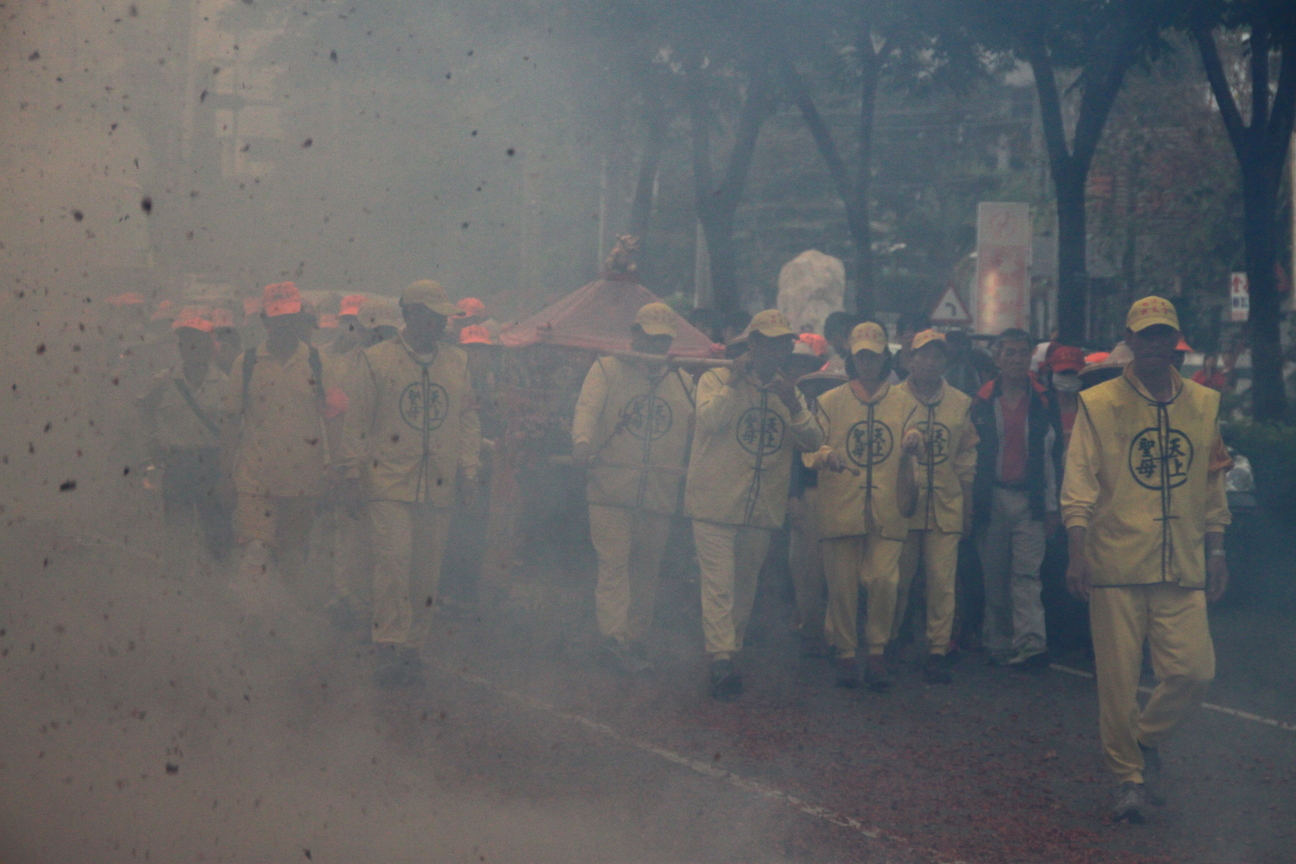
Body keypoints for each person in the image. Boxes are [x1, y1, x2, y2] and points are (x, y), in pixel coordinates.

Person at [1062, 296, 1231, 824]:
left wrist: (1217, 548)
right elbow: (1079, 483)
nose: (1155, 345)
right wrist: (1077, 549)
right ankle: (1128, 779)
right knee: (1116, 681)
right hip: (1116, 561)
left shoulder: (1204, 405)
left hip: (1181, 563)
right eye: (1145, 335)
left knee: (1195, 671)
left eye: (1163, 335)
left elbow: (1212, 482)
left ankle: (1143, 739)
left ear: (1175, 341)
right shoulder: (1101, 403)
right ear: (1130, 341)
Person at [339, 280, 481, 687]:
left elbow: (468, 421)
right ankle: (387, 642)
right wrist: (352, 472)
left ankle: (413, 647)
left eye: (442, 317)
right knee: (393, 566)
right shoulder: (376, 360)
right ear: (409, 314)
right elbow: (358, 423)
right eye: (430, 315)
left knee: (426, 573)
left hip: (438, 483)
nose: (438, 323)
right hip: (387, 481)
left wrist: (469, 471)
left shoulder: (458, 363)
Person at [684, 310, 824, 700]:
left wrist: (793, 405)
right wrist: (732, 382)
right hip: (714, 501)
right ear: (753, 344)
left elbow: (813, 441)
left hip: (760, 507)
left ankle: (729, 652)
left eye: (783, 343)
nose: (777, 349)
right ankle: (721, 659)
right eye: (769, 342)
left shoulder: (788, 390)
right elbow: (709, 421)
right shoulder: (715, 377)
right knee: (718, 584)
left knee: (744, 585)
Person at [572, 303, 696, 674]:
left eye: (662, 339)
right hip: (611, 486)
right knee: (614, 563)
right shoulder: (607, 369)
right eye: (648, 336)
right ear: (635, 334)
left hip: (658, 489)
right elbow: (587, 410)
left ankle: (635, 637)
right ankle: (613, 638)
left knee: (647, 568)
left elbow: (698, 428)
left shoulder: (683, 381)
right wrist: (581, 442)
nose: (654, 344)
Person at [223, 282, 346, 616]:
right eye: (277, 318)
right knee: (256, 552)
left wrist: (337, 466)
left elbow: (334, 418)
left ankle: (286, 624)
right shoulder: (245, 364)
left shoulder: (320, 363)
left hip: (303, 482)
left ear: (299, 318)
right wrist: (224, 474)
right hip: (255, 479)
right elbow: (231, 422)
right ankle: (253, 623)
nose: (284, 325)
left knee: (292, 558)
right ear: (265, 320)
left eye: (290, 317)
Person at [808, 322, 919, 691]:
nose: (868, 363)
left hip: (889, 507)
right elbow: (809, 447)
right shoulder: (829, 401)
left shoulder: (905, 401)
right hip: (840, 504)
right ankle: (844, 652)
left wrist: (915, 440)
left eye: (874, 356)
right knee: (841, 585)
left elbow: (918, 437)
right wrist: (826, 455)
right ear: (853, 360)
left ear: (885, 357)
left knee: (884, 579)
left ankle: (876, 649)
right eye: (862, 357)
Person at [971, 328, 1063, 669]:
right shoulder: (981, 400)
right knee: (994, 576)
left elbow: (1052, 456)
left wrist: (1052, 507)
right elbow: (969, 455)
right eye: (1008, 353)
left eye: (1021, 353)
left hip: (1030, 500)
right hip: (991, 497)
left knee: (1027, 575)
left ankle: (1030, 644)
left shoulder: (1043, 399)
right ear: (997, 359)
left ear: (1029, 359)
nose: (1015, 359)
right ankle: (997, 641)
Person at [891, 330, 978, 684]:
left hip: (946, 503)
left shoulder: (961, 402)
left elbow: (966, 457)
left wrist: (968, 506)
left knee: (942, 583)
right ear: (909, 360)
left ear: (946, 362)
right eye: (922, 355)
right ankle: (891, 639)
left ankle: (937, 649)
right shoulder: (890, 399)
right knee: (897, 580)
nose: (929, 362)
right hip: (902, 503)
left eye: (937, 356)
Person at [139, 314, 232, 580]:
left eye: (198, 344)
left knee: (216, 531)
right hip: (178, 463)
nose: (192, 350)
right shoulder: (164, 381)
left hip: (211, 464)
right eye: (186, 344)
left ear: (209, 347)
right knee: (177, 530)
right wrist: (152, 442)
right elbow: (144, 408)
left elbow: (232, 427)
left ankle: (219, 586)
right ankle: (179, 589)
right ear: (180, 348)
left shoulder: (224, 385)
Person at [1047, 345, 1087, 449]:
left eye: (1073, 373)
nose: (1068, 378)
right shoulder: (1043, 408)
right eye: (1063, 373)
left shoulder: (1090, 410)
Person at [891, 311, 930, 382]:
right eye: (912, 330)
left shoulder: (935, 371)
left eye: (920, 331)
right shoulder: (885, 369)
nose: (917, 337)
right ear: (899, 335)